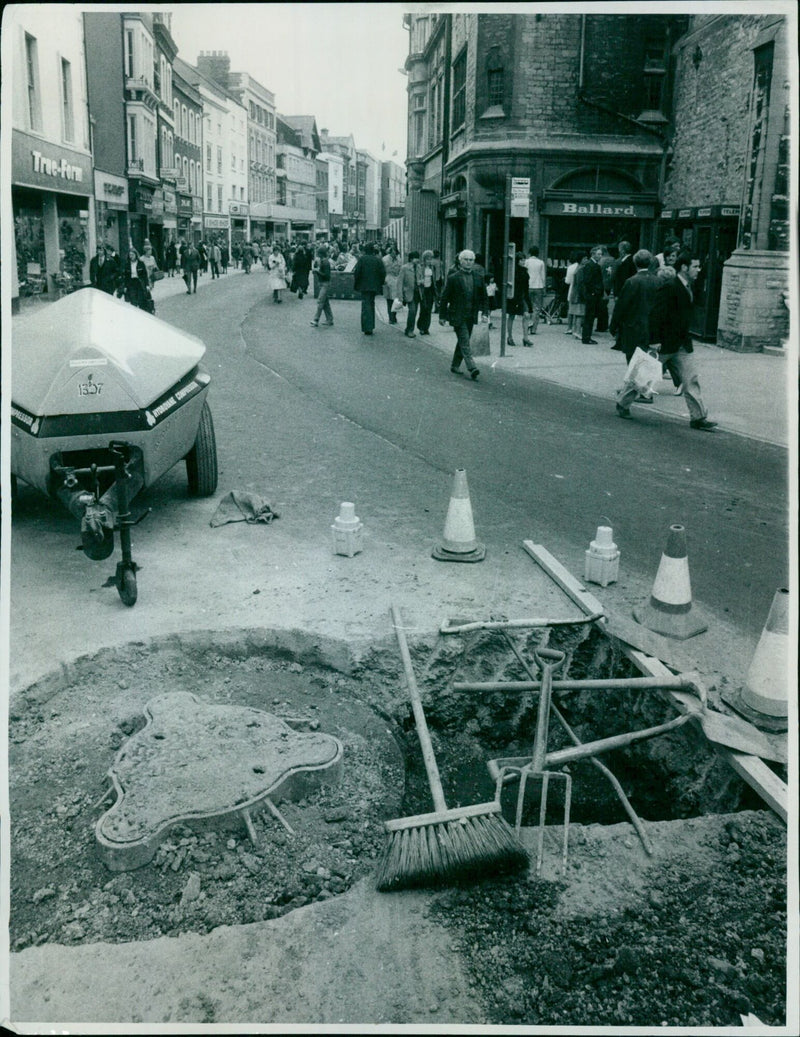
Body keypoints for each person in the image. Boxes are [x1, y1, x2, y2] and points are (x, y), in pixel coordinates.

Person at [648, 253, 717, 431]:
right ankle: (623, 401)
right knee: (646, 376)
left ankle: (698, 417)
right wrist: (654, 339)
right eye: (695, 266)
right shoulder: (670, 286)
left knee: (690, 378)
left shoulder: (688, 286)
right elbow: (656, 314)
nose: (699, 270)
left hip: (681, 344)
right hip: (665, 343)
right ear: (684, 268)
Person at [611, 249, 661, 418]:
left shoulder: (632, 282)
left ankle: (629, 400)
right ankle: (644, 392)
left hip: (633, 329)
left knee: (634, 365)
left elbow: (621, 306)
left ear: (635, 263)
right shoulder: (658, 281)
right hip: (652, 329)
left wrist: (614, 325)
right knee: (645, 363)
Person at [438, 249, 488, 380]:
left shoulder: (478, 277)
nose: (468, 262)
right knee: (465, 341)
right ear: (460, 261)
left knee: (463, 340)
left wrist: (484, 313)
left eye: (471, 260)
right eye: (466, 259)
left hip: (471, 315)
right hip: (457, 315)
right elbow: (445, 297)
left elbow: (484, 297)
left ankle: (455, 365)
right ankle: (472, 367)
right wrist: (442, 316)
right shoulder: (454, 278)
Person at [352, 242, 386, 335]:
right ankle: (371, 325)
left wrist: (357, 284)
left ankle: (367, 327)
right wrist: (380, 283)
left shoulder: (362, 259)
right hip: (374, 286)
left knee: (365, 306)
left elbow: (357, 273)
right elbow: (383, 273)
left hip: (364, 286)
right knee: (371, 304)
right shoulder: (378, 260)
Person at [579, 245, 605, 344]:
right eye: (598, 254)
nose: (600, 256)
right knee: (589, 316)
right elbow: (588, 281)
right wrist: (594, 292)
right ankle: (586, 337)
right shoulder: (591, 265)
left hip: (593, 294)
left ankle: (587, 336)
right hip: (592, 295)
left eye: (601, 254)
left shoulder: (593, 265)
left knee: (590, 316)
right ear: (593, 254)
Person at [507, 253, 532, 347]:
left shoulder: (525, 272)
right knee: (511, 316)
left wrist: (527, 299)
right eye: (521, 260)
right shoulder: (513, 272)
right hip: (514, 296)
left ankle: (525, 338)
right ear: (517, 261)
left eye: (524, 260)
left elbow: (526, 287)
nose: (523, 262)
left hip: (522, 296)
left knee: (526, 315)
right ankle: (510, 337)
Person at [115, 247, 152, 312]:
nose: (131, 256)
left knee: (141, 300)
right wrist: (125, 286)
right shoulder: (127, 264)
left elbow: (144, 275)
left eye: (132, 255)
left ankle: (142, 312)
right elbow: (126, 277)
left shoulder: (141, 263)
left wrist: (147, 285)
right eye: (130, 255)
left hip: (140, 283)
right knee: (133, 300)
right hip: (131, 283)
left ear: (136, 255)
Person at [397, 250, 423, 338]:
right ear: (411, 259)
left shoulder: (419, 267)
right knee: (412, 311)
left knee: (415, 312)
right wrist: (400, 296)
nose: (418, 260)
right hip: (408, 293)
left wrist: (421, 281)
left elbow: (421, 278)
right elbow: (400, 282)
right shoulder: (404, 268)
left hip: (418, 293)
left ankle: (408, 328)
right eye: (416, 258)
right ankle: (410, 330)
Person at [310, 245, 334, 327]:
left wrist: (317, 271)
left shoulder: (325, 262)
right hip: (324, 283)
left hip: (325, 283)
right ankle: (329, 319)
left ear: (321, 254)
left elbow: (326, 275)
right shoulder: (323, 261)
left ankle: (316, 319)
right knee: (325, 302)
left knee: (320, 301)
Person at [524, 246, 546, 334]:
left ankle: (527, 325)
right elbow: (543, 276)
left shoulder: (526, 262)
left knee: (527, 306)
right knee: (537, 308)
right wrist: (544, 286)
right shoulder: (541, 262)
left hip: (528, 286)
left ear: (529, 252)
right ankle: (534, 328)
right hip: (538, 286)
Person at [416, 250, 437, 335]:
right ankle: (421, 326)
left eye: (431, 259)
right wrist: (421, 281)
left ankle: (426, 328)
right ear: (424, 259)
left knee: (429, 309)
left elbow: (434, 279)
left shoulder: (432, 268)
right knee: (423, 309)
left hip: (430, 290)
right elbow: (417, 279)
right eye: (427, 259)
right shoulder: (420, 267)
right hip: (423, 290)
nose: (429, 261)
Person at [563, 251, 581, 336]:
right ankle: (577, 329)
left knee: (570, 310)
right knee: (579, 311)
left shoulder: (570, 267)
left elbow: (568, 281)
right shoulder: (582, 266)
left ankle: (569, 327)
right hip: (580, 292)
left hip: (572, 289)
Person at [382, 246, 401, 324]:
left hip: (396, 280)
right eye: (393, 252)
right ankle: (391, 317)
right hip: (388, 279)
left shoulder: (399, 259)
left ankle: (394, 315)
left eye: (396, 253)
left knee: (396, 300)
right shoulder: (385, 259)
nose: (395, 254)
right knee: (389, 300)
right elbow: (382, 270)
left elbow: (400, 269)